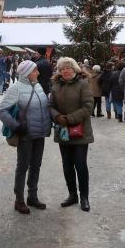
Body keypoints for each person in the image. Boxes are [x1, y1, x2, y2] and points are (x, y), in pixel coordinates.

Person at [0, 60, 52, 214]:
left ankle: (32, 196)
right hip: (25, 134)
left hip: (39, 133)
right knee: (23, 167)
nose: (38, 73)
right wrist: (16, 126)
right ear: (28, 73)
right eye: (35, 71)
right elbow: (2, 110)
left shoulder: (38, 85)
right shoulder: (16, 88)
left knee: (36, 165)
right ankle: (19, 200)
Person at [49, 57, 94, 212]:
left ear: (74, 69)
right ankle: (72, 194)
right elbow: (50, 105)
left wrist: (68, 119)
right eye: (62, 69)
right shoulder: (56, 85)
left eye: (68, 68)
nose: (65, 71)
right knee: (67, 165)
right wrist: (56, 116)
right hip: (63, 131)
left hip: (80, 131)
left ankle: (84, 197)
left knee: (80, 164)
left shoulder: (83, 84)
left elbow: (88, 107)